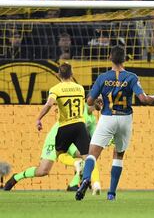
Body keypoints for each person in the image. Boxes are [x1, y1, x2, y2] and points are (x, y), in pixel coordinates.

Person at [75, 46, 154, 201]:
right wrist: (153, 98)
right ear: (125, 59)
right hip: (125, 119)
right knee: (118, 155)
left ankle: (86, 179)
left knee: (92, 154)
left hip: (108, 117)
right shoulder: (132, 77)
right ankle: (111, 194)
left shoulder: (103, 77)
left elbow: (90, 101)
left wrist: (99, 101)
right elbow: (144, 99)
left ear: (109, 58)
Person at [4, 63, 93, 191]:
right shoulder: (80, 88)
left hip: (72, 128)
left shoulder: (55, 89)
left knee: (87, 158)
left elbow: (49, 104)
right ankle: (17, 177)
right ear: (72, 74)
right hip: (65, 131)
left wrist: (39, 118)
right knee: (44, 170)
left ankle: (76, 183)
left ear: (58, 75)